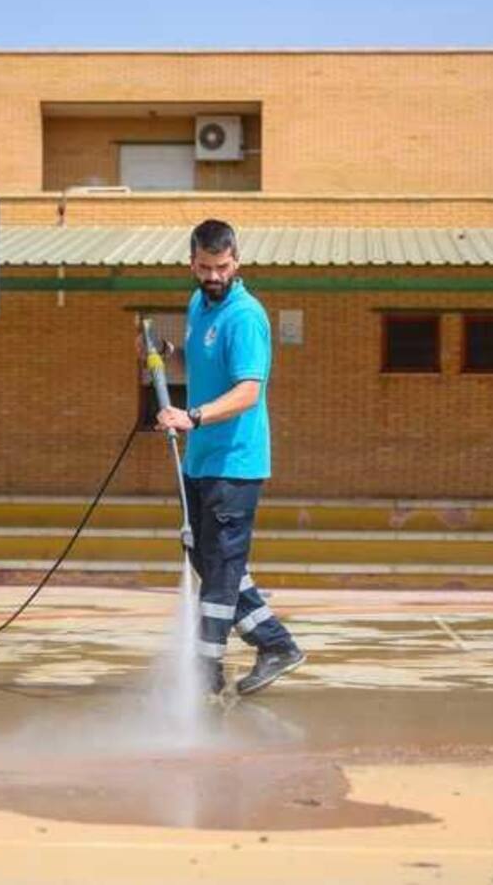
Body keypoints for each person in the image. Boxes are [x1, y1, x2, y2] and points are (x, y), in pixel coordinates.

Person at [151, 219, 305, 696]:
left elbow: (247, 392)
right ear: (192, 263)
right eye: (204, 267)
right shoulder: (198, 304)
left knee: (220, 571)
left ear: (236, 261)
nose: (212, 276)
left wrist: (191, 417)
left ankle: (205, 676)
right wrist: (166, 352)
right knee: (210, 560)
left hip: (235, 464)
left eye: (221, 267)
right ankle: (275, 645)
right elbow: (199, 362)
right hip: (200, 461)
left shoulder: (245, 316)